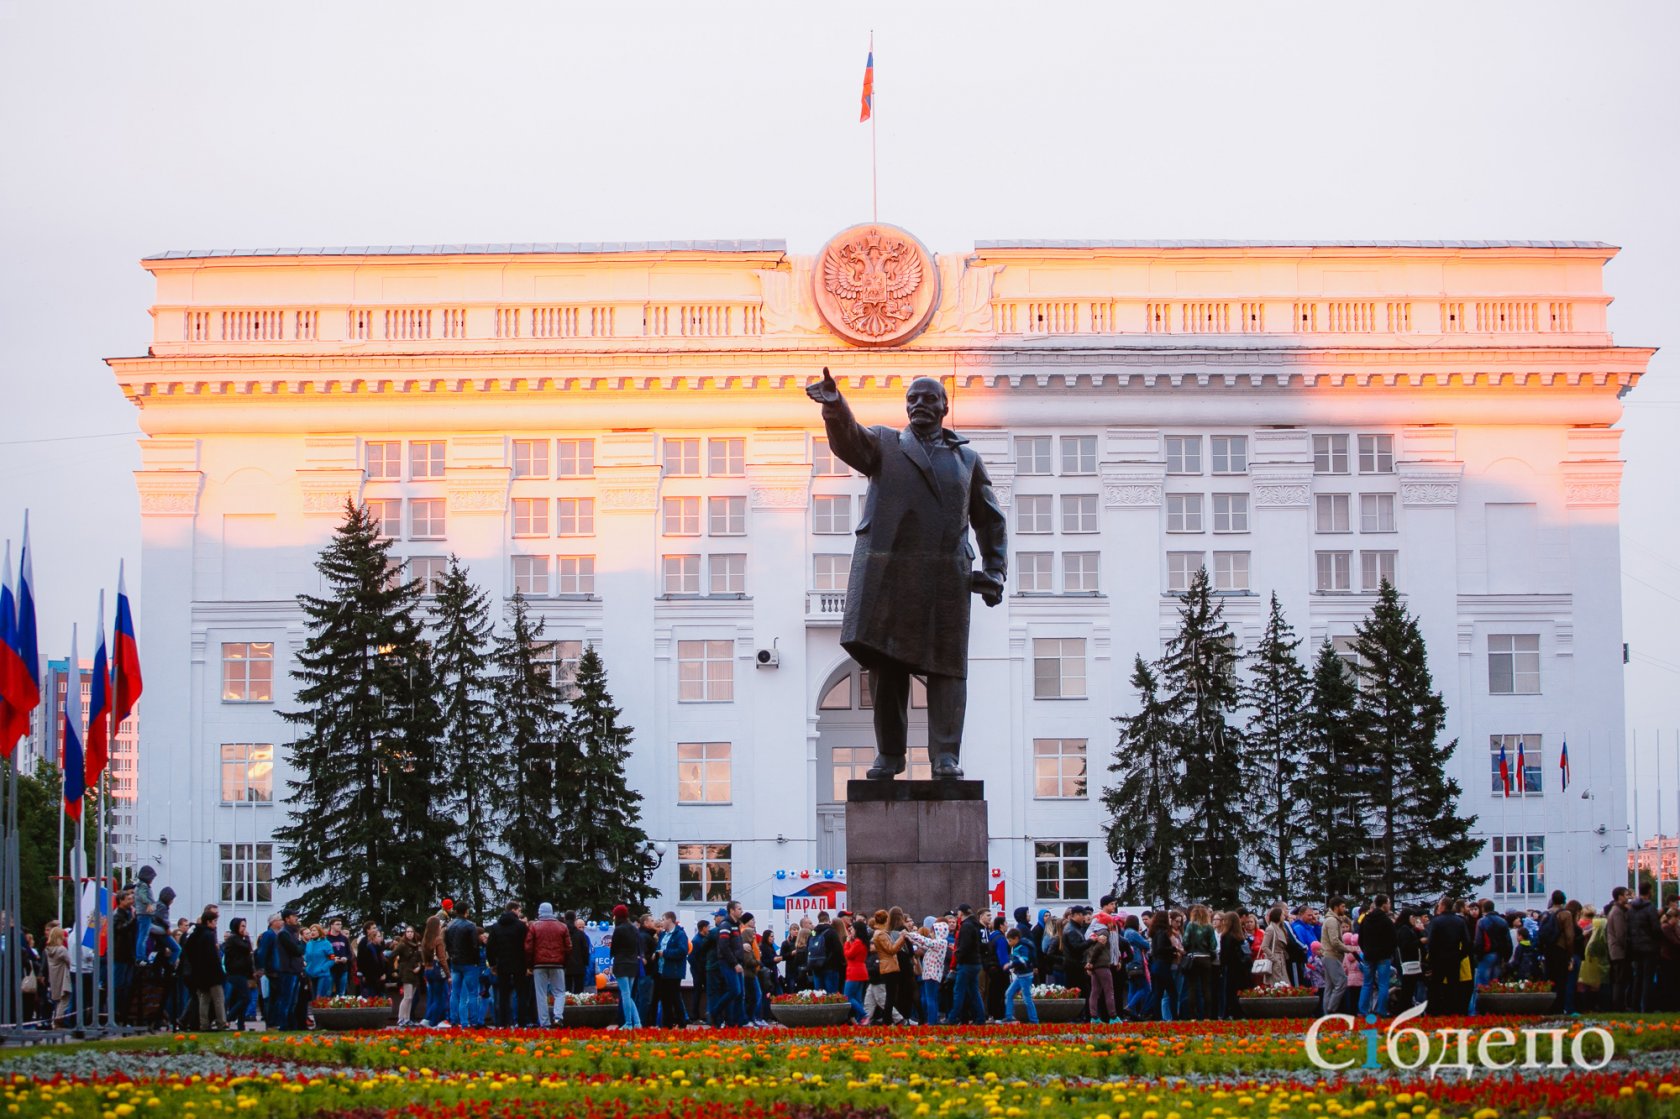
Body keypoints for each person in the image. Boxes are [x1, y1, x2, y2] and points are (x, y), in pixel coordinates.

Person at [805, 368, 1008, 780]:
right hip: (891, 571)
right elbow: (851, 442)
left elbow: (988, 518)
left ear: (945, 407)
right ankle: (890, 756)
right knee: (887, 668)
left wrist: (995, 569)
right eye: (913, 398)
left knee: (948, 670)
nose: (919, 404)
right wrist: (835, 406)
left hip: (945, 576)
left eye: (929, 398)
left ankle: (945, 757)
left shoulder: (967, 459)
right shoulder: (886, 444)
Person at [520, 902, 570, 1028]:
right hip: (558, 964)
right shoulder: (562, 926)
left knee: (541, 993)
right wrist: (564, 962)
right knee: (559, 992)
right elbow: (568, 947)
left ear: (540, 912)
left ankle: (544, 1022)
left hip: (539, 964)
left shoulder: (535, 926)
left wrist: (529, 964)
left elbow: (528, 947)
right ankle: (558, 1017)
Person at [1425, 897, 1474, 1015]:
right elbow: (1467, 942)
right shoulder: (1459, 921)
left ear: (1443, 906)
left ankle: (1434, 1011)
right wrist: (1460, 955)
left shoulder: (1436, 921)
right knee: (1454, 986)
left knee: (1435, 986)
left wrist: (1431, 958)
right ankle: (1453, 1011)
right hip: (1454, 958)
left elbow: (1431, 942)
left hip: (1439, 958)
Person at [184, 906, 229, 1030]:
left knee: (204, 1000)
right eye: (215, 921)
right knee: (218, 999)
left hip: (199, 973)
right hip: (212, 973)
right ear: (209, 922)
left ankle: (204, 1024)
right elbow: (212, 956)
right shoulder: (209, 935)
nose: (215, 924)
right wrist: (219, 971)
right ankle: (221, 1023)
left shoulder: (195, 934)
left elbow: (188, 950)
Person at [486, 902, 528, 1028]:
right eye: (519, 910)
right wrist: (528, 964)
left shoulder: (496, 926)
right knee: (521, 994)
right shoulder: (521, 926)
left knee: (503, 995)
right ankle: (521, 1023)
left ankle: (503, 1023)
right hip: (519, 963)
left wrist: (493, 963)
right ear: (514, 910)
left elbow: (490, 947)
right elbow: (527, 946)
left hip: (502, 963)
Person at [1470, 900, 1512, 1015]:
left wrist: (1478, 956)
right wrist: (1506, 958)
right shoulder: (1502, 921)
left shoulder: (1482, 922)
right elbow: (1508, 941)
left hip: (1486, 955)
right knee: (1494, 984)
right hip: (1499, 955)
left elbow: (1479, 942)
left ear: (1483, 909)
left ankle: (1477, 1012)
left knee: (1481, 985)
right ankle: (1494, 1010)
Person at [906, 917, 950, 1025]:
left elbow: (925, 941)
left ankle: (931, 1022)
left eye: (933, 932)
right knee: (933, 998)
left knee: (930, 999)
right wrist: (912, 940)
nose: (931, 934)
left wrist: (910, 934)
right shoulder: (940, 943)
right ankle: (933, 1021)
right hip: (934, 975)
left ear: (938, 932)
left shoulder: (940, 942)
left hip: (931, 974)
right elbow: (925, 944)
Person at [445, 903, 482, 1029]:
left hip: (455, 962)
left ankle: (454, 1020)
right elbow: (474, 945)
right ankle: (474, 1021)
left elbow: (447, 944)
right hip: (469, 963)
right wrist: (477, 961)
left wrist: (452, 956)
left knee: (455, 993)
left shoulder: (449, 925)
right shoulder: (470, 926)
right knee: (472, 993)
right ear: (466, 911)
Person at [1359, 895, 1396, 1017]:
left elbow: (1360, 938)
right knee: (1383, 984)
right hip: (1383, 956)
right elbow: (1393, 939)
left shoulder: (1366, 919)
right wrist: (1389, 952)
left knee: (1367, 984)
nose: (1389, 906)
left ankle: (1363, 1011)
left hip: (1368, 955)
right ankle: (1381, 1010)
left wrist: (1366, 950)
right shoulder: (1386, 921)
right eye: (1389, 903)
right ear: (1384, 904)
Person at [949, 904, 987, 1025]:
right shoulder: (975, 925)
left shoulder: (966, 926)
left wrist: (957, 955)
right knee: (974, 991)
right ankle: (981, 1018)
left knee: (958, 991)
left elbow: (964, 946)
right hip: (975, 963)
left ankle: (952, 1018)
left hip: (966, 964)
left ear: (961, 913)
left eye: (958, 913)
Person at [608, 904, 644, 1029]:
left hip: (621, 964)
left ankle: (628, 1023)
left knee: (625, 994)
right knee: (629, 995)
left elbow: (614, 949)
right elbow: (639, 947)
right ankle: (638, 1023)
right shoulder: (634, 929)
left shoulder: (618, 929)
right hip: (633, 964)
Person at [1629, 881, 1662, 1012]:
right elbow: (1655, 929)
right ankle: (1647, 1006)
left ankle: (1635, 1005)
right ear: (1649, 891)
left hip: (1635, 947)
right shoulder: (1650, 908)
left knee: (1638, 976)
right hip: (1649, 947)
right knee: (1648, 977)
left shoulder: (1631, 909)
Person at [1181, 905, 1217, 1020]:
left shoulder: (1190, 926)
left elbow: (1185, 941)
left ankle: (1193, 1016)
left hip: (1193, 958)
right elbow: (1214, 945)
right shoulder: (1209, 927)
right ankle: (1207, 1016)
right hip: (1206, 958)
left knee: (1192, 987)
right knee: (1206, 987)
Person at [654, 911, 689, 1028]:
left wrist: (665, 953)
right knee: (665, 999)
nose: (662, 922)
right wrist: (656, 953)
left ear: (670, 920)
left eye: (663, 919)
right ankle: (667, 1024)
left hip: (673, 971)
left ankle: (682, 1022)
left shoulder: (680, 934)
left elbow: (683, 951)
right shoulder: (663, 935)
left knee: (675, 997)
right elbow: (659, 947)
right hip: (661, 970)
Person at [221, 917, 255, 1030]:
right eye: (242, 926)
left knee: (240, 998)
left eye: (245, 926)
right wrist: (247, 938)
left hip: (242, 972)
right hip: (236, 972)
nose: (244, 929)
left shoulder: (239, 939)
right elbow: (247, 949)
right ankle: (229, 1017)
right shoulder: (234, 939)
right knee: (246, 997)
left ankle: (241, 1024)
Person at [1320, 898, 1349, 1016]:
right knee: (1341, 981)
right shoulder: (1332, 920)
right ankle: (1331, 1009)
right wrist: (1348, 949)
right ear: (1336, 907)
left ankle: (1327, 1013)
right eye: (1342, 906)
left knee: (1330, 986)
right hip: (1332, 955)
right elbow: (1335, 941)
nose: (1344, 909)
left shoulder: (1331, 920)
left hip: (1329, 955)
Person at [1086, 924, 1120, 1023]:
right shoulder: (1104, 932)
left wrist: (1090, 963)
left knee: (1095, 992)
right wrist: (1091, 962)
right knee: (1109, 991)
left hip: (1095, 967)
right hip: (1102, 965)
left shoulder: (1092, 934)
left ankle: (1094, 1017)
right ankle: (1113, 1017)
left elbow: (1090, 950)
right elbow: (1099, 948)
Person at [1147, 911, 1178, 1021]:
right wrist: (1174, 949)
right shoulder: (1162, 932)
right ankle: (1174, 1017)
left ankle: (1157, 1017)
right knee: (1172, 992)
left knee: (1157, 993)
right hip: (1163, 966)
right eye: (1169, 917)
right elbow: (1161, 949)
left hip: (1156, 965)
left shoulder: (1155, 932)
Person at [391, 924, 424, 1026]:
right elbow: (392, 955)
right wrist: (395, 969)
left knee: (411, 998)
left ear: (414, 933)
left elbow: (420, 959)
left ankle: (407, 1018)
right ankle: (401, 1018)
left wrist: (419, 966)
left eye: (411, 932)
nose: (410, 934)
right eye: (408, 932)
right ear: (405, 934)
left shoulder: (416, 945)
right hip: (406, 972)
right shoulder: (402, 945)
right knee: (407, 997)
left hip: (414, 972)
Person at [1004, 928, 1038, 1024]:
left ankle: (1034, 1020)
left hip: (1025, 976)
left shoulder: (1022, 947)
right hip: (1020, 975)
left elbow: (1024, 959)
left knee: (1027, 998)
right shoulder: (1017, 946)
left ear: (1016, 938)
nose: (1009, 943)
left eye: (1010, 940)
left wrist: (1011, 964)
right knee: (1009, 994)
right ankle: (1009, 1016)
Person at [1605, 886, 1631, 1011]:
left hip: (1616, 950)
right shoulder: (1617, 912)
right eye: (1626, 894)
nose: (1628, 897)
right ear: (1620, 896)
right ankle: (1618, 1005)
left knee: (1619, 979)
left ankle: (1618, 1004)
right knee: (1619, 980)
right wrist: (1627, 947)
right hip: (1618, 951)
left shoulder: (1617, 911)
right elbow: (1621, 934)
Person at [841, 917, 871, 1023]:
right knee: (858, 998)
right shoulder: (863, 942)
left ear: (857, 930)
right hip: (860, 971)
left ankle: (864, 1014)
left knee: (847, 996)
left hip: (854, 972)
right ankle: (860, 1020)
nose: (850, 931)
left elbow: (849, 954)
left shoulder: (858, 942)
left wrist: (847, 943)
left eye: (852, 929)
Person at [1259, 907, 1291, 989]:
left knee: (1283, 984)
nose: (1284, 917)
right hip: (1274, 961)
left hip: (1281, 959)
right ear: (1278, 916)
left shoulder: (1281, 929)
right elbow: (1264, 946)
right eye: (1282, 915)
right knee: (1276, 984)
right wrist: (1274, 959)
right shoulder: (1270, 929)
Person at [45, 927, 71, 1028]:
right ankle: (58, 1019)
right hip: (63, 976)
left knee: (58, 1000)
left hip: (54, 977)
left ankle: (56, 1018)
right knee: (65, 999)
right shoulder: (61, 950)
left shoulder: (48, 950)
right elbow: (70, 962)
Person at [356, 923, 388, 1000]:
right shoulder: (365, 944)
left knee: (380, 998)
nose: (375, 929)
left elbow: (382, 962)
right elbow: (362, 961)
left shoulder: (378, 947)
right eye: (373, 928)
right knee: (370, 998)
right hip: (370, 977)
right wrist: (364, 974)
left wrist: (383, 973)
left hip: (378, 977)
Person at [325, 918, 351, 997]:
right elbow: (323, 953)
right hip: (331, 968)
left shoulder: (344, 938)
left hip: (343, 968)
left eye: (340, 924)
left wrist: (346, 958)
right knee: (328, 992)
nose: (340, 926)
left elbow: (349, 953)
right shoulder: (326, 938)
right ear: (332, 925)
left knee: (342, 993)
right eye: (337, 924)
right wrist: (333, 958)